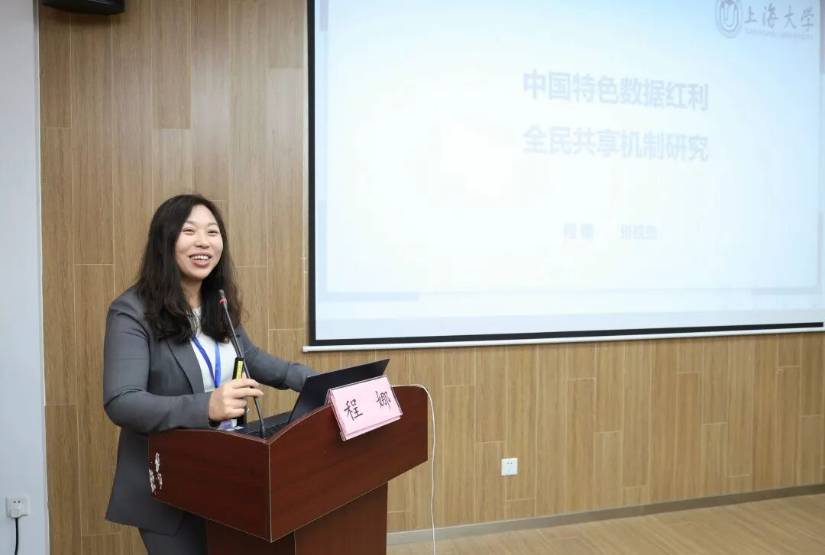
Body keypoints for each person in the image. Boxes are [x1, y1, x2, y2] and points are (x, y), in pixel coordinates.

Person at [102, 194, 316, 554]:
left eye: (212, 232)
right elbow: (122, 401)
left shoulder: (218, 302)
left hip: (228, 471)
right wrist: (207, 407)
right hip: (170, 484)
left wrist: (315, 382)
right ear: (165, 241)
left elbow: (250, 357)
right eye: (189, 231)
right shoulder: (132, 311)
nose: (203, 242)